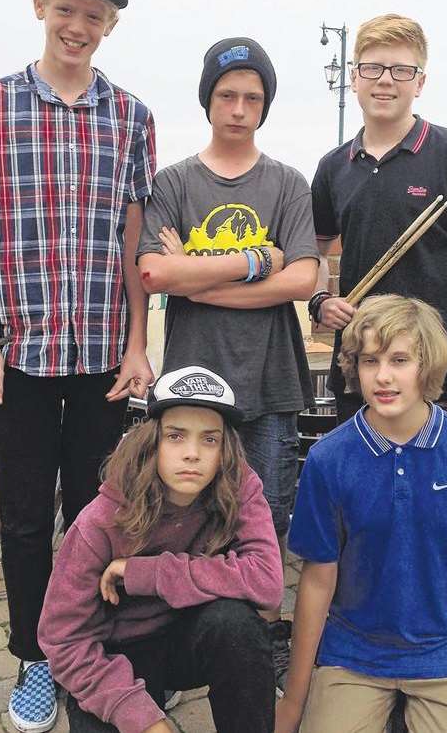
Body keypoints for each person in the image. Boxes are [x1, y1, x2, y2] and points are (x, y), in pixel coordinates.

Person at [0, 0, 156, 732]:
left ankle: (86, 643)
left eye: (94, 15)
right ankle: (34, 656)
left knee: (99, 514)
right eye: (66, 8)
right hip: (21, 359)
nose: (78, 25)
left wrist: (138, 344)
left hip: (102, 359)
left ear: (110, 25)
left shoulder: (132, 116)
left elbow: (136, 242)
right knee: (25, 518)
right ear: (39, 6)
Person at [137, 37, 319, 690]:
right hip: (193, 380)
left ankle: (258, 636)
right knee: (184, 513)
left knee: (263, 518)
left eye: (252, 97)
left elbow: (302, 277)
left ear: (264, 105)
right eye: (226, 95)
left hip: (269, 382)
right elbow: (154, 270)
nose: (238, 108)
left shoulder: (287, 183)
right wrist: (253, 259)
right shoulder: (175, 182)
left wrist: (197, 275)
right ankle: (180, 634)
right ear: (207, 100)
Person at [275, 294, 447, 733]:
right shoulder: (328, 459)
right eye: (370, 361)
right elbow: (317, 582)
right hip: (355, 649)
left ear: (426, 365)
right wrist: (294, 703)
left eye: (400, 360)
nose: (384, 376)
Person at [37, 365, 283, 733]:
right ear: (152, 441)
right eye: (176, 436)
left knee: (237, 626)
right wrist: (144, 719)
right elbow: (64, 639)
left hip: (185, 636)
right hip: (114, 655)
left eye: (210, 439)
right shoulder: (100, 520)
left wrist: (143, 573)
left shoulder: (238, 485)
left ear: (225, 449)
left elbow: (267, 582)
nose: (193, 454)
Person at [309, 14, 447, 424]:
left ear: (419, 82)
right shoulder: (333, 167)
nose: (385, 80)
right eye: (373, 68)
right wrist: (320, 301)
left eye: (402, 70)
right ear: (354, 77)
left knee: (438, 487)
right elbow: (312, 252)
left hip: (435, 369)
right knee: (359, 485)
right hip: (358, 368)